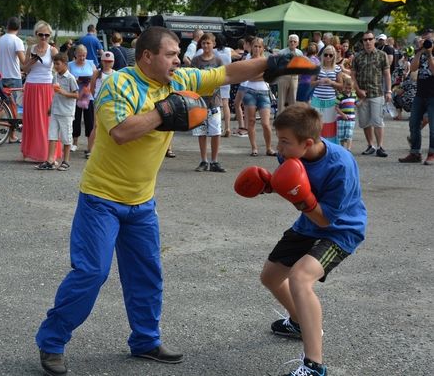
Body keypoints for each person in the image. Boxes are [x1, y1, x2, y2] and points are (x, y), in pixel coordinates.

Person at [34, 26, 320, 376]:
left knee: (147, 275)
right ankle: (51, 342)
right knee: (91, 273)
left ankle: (145, 340)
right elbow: (121, 132)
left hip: (141, 202)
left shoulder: (177, 78)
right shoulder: (119, 84)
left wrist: (275, 61)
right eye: (171, 54)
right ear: (147, 57)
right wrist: (163, 111)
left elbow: (226, 72)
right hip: (101, 200)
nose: (177, 60)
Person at [236, 104, 366, 376]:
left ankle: (314, 366)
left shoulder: (340, 165)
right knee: (270, 277)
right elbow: (291, 183)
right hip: (307, 226)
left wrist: (300, 198)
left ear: (308, 143)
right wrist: (270, 185)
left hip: (340, 230)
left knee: (300, 278)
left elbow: (325, 220)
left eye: (284, 142)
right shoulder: (289, 156)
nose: (279, 148)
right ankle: (298, 322)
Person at [21, 20, 61, 162]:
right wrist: (31, 62)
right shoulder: (30, 48)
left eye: (46, 35)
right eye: (41, 34)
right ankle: (32, 152)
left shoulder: (53, 50)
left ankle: (47, 154)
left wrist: (59, 86)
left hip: (46, 87)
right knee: (32, 120)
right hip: (31, 86)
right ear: (36, 35)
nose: (43, 38)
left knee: (47, 120)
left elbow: (60, 69)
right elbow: (24, 69)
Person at [351, 30, 392, 157]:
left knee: (378, 121)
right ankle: (371, 145)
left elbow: (386, 74)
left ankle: (380, 146)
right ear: (362, 42)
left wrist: (389, 91)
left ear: (374, 40)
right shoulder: (357, 56)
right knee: (365, 122)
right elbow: (353, 76)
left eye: (370, 39)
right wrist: (358, 90)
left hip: (377, 93)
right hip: (362, 95)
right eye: (365, 39)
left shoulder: (382, 55)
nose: (368, 41)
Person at [35, 53, 79, 171]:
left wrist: (64, 93)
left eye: (58, 64)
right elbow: (54, 94)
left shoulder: (70, 78)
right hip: (56, 110)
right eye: (54, 63)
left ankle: (66, 160)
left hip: (66, 112)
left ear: (65, 64)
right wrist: (50, 106)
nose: (56, 66)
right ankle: (50, 160)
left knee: (66, 137)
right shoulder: (55, 77)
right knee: (52, 135)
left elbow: (76, 95)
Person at [398, 28, 434, 165]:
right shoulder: (421, 52)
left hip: (433, 96)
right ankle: (415, 153)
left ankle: (432, 154)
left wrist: (430, 54)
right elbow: (413, 69)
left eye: (430, 40)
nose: (428, 42)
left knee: (433, 127)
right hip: (420, 94)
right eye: (425, 40)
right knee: (414, 123)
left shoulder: (432, 53)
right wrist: (419, 52)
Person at [190, 33, 226, 172]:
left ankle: (215, 161)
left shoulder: (218, 61)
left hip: (214, 101)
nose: (206, 46)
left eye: (208, 43)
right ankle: (204, 160)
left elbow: (222, 78)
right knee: (201, 132)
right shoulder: (196, 61)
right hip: (199, 102)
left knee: (215, 131)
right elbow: (192, 78)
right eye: (203, 43)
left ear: (214, 44)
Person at [241, 37, 276, 156]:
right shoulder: (248, 59)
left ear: (263, 48)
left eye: (259, 46)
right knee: (251, 121)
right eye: (255, 46)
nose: (257, 49)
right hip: (250, 91)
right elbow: (247, 76)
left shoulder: (266, 60)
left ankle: (269, 147)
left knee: (266, 123)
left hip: (264, 92)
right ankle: (254, 147)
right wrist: (258, 75)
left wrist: (255, 75)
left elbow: (269, 77)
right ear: (252, 47)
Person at [0, 16, 25, 142]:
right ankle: (11, 134)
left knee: (6, 104)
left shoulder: (1, 39)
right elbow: (23, 61)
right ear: (19, 27)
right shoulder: (17, 41)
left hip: (2, 75)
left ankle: (10, 133)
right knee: (12, 106)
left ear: (8, 26)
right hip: (13, 76)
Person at [86, 51, 117, 157]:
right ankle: (90, 149)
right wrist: (96, 97)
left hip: (110, 102)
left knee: (110, 125)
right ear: (102, 62)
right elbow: (92, 87)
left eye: (109, 61)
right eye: (105, 61)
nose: (107, 63)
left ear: (112, 62)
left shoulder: (115, 73)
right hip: (99, 101)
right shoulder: (97, 73)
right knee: (96, 125)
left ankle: (107, 149)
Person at [310, 45, 343, 143]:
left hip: (331, 100)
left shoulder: (337, 68)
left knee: (330, 125)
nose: (328, 57)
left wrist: (331, 82)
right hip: (317, 99)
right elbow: (311, 83)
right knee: (316, 123)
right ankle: (316, 143)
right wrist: (319, 81)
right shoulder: (317, 67)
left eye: (330, 55)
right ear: (322, 55)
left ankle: (330, 145)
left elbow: (341, 86)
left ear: (334, 56)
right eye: (326, 55)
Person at [68, 44, 96, 154]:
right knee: (76, 119)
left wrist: (90, 80)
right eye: (80, 56)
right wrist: (76, 80)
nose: (82, 58)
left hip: (88, 96)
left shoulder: (91, 63)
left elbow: (95, 77)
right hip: (76, 95)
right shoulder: (70, 64)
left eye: (84, 55)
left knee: (90, 120)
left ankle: (90, 144)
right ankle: (75, 142)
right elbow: (67, 78)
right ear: (75, 55)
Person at [277, 34, 303, 113]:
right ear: (288, 42)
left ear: (297, 43)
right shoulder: (282, 52)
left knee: (293, 98)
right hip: (283, 76)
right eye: (291, 41)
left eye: (294, 41)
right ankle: (280, 116)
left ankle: (291, 117)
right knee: (281, 99)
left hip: (294, 77)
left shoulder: (300, 53)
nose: (292, 43)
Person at [335, 77, 357, 150]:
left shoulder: (354, 95)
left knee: (349, 134)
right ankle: (342, 148)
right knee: (341, 135)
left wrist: (363, 100)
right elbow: (336, 107)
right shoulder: (340, 96)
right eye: (346, 88)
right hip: (341, 118)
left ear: (352, 88)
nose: (348, 90)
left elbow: (357, 104)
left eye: (350, 88)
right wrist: (342, 114)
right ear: (343, 86)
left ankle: (348, 149)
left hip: (351, 118)